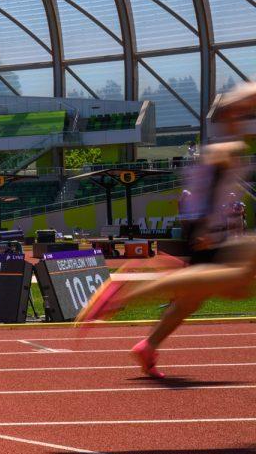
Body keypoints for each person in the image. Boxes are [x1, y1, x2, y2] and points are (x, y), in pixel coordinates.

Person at [76, 83, 256, 377]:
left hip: (204, 226)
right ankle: (120, 295)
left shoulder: (224, 144)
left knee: (190, 299)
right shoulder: (227, 147)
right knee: (234, 278)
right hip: (205, 227)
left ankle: (148, 346)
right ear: (233, 115)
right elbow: (209, 187)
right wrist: (205, 228)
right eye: (245, 111)